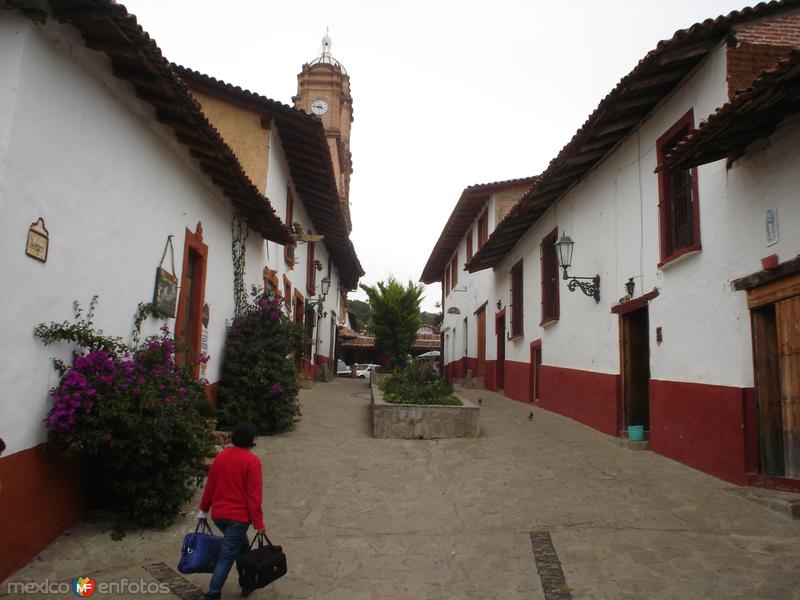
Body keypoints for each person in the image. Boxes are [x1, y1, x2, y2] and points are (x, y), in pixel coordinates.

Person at [199, 423, 266, 599]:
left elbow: (210, 486)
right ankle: (213, 593)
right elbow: (254, 497)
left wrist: (203, 510)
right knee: (227, 556)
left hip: (219, 515)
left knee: (242, 548)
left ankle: (247, 583)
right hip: (238, 518)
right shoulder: (252, 462)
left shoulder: (221, 457)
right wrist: (259, 524)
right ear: (252, 440)